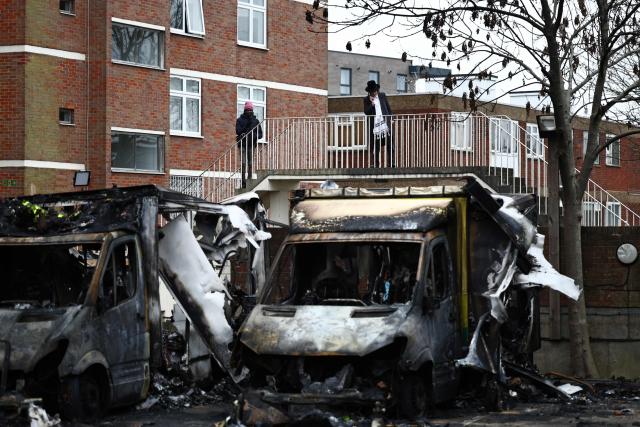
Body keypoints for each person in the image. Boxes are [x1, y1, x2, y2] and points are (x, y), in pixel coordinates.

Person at [363, 80, 394, 167]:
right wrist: (371, 104)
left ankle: (391, 163)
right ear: (370, 92)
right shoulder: (366, 99)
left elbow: (388, 108)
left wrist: (391, 118)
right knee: (376, 146)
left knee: (390, 144)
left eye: (376, 91)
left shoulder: (382, 96)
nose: (375, 93)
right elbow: (366, 112)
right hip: (375, 127)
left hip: (385, 124)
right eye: (373, 92)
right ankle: (375, 164)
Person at [236, 101, 263, 188]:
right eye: (247, 110)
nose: (248, 112)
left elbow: (260, 134)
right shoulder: (239, 120)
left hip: (251, 144)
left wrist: (254, 136)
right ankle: (243, 182)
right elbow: (238, 131)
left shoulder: (255, 121)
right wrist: (246, 126)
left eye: (250, 110)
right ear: (244, 110)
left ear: (252, 110)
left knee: (250, 163)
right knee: (243, 163)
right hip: (243, 144)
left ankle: (249, 179)